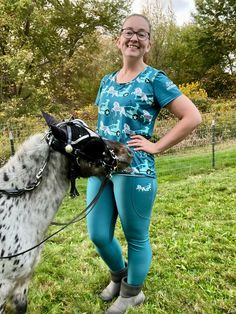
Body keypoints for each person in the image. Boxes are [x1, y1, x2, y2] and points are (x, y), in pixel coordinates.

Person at [86, 14, 202, 314]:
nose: (134, 38)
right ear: (118, 39)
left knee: (137, 236)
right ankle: (118, 275)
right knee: (98, 233)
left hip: (135, 169)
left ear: (148, 42)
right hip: (102, 168)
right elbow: (105, 122)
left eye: (141, 34)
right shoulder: (106, 80)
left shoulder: (155, 79)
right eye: (128, 32)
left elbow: (192, 117)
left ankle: (132, 292)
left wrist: (157, 146)